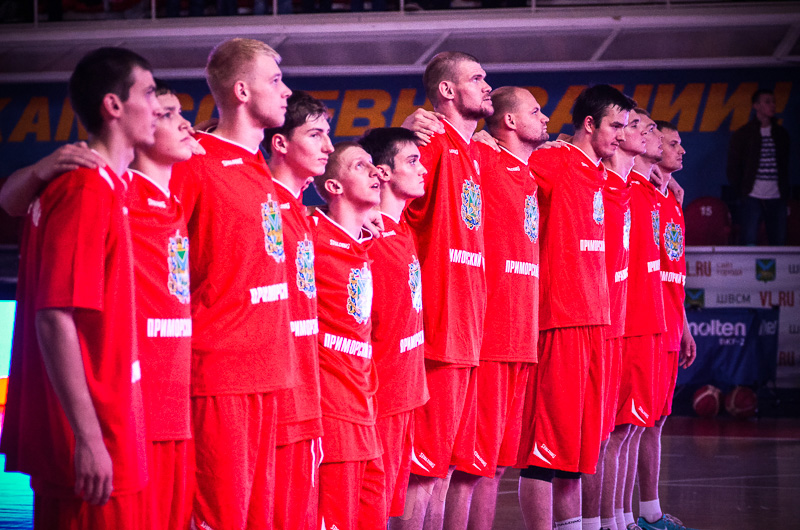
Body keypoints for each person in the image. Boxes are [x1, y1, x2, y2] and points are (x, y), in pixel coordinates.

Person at [0, 47, 159, 528]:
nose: (156, 107)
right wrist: (88, 438)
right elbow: (54, 316)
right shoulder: (86, 189)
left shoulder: (103, 183)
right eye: (150, 93)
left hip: (109, 425)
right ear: (114, 105)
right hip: (91, 439)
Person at [169, 38, 296, 529]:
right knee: (219, 518)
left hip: (268, 373)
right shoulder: (195, 163)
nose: (286, 91)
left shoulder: (257, 165)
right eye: (275, 80)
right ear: (242, 91)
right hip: (220, 377)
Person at [517, 84, 633, 530]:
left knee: (578, 451)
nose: (621, 135)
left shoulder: (599, 173)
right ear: (589, 123)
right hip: (560, 320)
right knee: (544, 451)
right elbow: (507, 170)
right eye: (615, 126)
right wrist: (485, 140)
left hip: (595, 322)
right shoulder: (554, 160)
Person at [398, 50, 491, 530]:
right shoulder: (430, 140)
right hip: (438, 327)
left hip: (466, 330)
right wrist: (403, 134)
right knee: (422, 470)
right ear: (448, 90)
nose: (487, 85)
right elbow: (387, 204)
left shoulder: (471, 150)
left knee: (443, 468)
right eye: (477, 78)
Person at [454, 86, 547, 530]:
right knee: (470, 466)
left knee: (496, 465)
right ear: (509, 121)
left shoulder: (530, 172)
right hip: (491, 337)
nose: (545, 118)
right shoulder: (481, 158)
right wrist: (421, 123)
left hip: (522, 338)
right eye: (536, 111)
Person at [263, 90, 333, 530]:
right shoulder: (263, 202)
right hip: (275, 397)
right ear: (281, 143)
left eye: (328, 134)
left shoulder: (301, 212)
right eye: (316, 134)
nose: (328, 146)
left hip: (306, 391)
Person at [312, 141, 387, 529]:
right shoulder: (309, 234)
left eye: (374, 164)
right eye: (360, 166)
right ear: (333, 186)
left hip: (366, 408)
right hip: (331, 411)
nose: (376, 172)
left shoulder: (367, 243)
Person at [358, 127, 430, 526]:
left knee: (389, 508)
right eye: (412, 161)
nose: (423, 169)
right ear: (383, 173)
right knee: (370, 510)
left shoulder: (402, 230)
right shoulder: (367, 238)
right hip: (380, 398)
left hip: (407, 393)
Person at [634, 120, 697, 530]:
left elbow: (674, 270)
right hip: (647, 321)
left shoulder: (672, 197)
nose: (680, 149)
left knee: (655, 421)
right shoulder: (640, 191)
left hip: (671, 322)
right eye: (671, 142)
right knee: (632, 424)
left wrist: (685, 325)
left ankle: (649, 512)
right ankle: (622, 516)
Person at [581, 107, 642, 530]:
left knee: (624, 430)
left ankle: (619, 519)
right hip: (588, 323)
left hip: (620, 323)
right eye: (621, 125)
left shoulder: (628, 187)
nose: (626, 134)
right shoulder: (581, 170)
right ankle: (600, 522)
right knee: (594, 438)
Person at [614, 108, 667, 530]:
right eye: (642, 127)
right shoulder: (623, 185)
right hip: (624, 323)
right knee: (617, 431)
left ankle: (628, 517)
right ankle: (611, 519)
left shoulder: (652, 191)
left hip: (650, 321)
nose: (656, 137)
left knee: (635, 427)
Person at [727, 88, 790, 245]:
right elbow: (733, 167)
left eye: (773, 102)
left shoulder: (781, 134)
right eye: (767, 102)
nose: (772, 105)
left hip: (777, 196)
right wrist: (743, 192)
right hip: (752, 196)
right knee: (749, 241)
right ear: (756, 106)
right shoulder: (744, 134)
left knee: (779, 242)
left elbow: (785, 167)